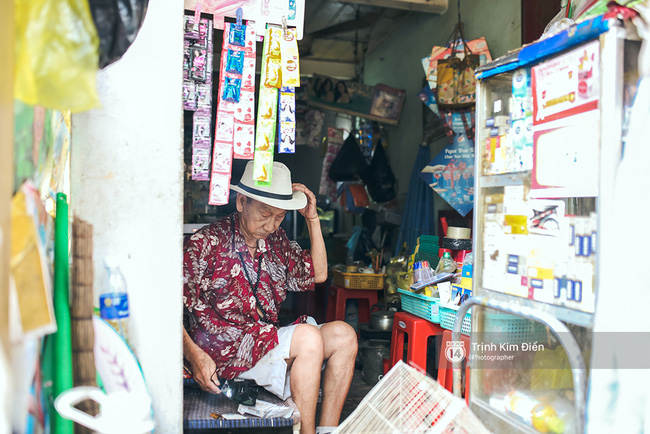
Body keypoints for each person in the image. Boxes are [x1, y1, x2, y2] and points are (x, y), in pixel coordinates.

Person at [183, 161, 357, 434]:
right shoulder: (206, 243)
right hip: (222, 358)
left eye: (279, 217)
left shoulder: (277, 242)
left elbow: (319, 274)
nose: (271, 225)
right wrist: (195, 357)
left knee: (344, 336)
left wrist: (312, 220)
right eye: (265, 214)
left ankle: (328, 431)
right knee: (308, 338)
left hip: (262, 345)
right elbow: (165, 310)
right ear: (241, 202)